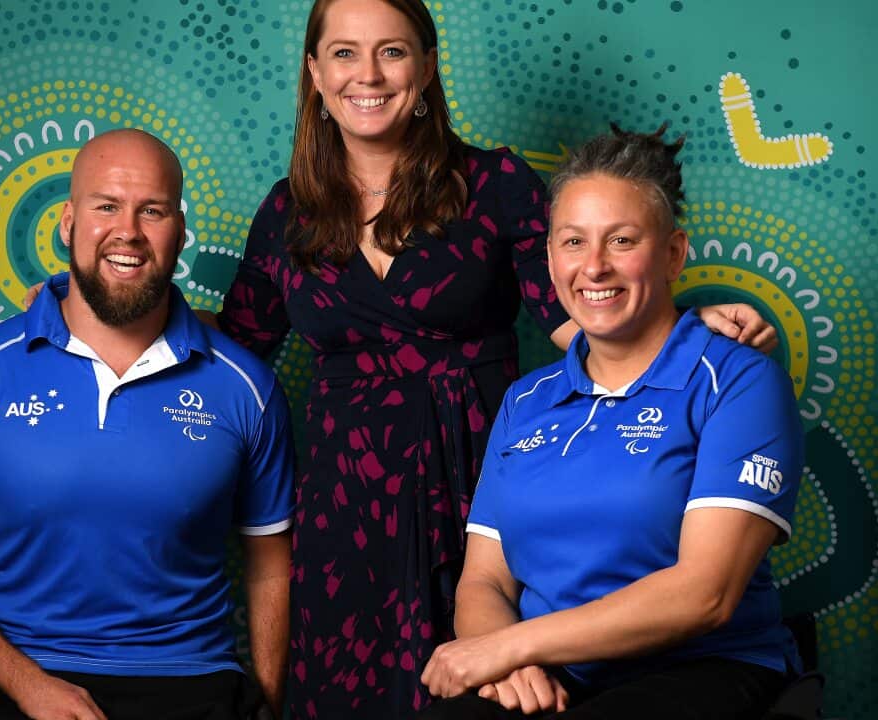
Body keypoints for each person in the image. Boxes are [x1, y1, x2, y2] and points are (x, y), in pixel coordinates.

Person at [213, 1, 779, 718]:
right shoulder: (286, 211)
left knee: (482, 685)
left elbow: (587, 315)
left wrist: (689, 335)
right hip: (344, 505)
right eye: (345, 53)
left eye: (391, 51)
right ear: (314, 72)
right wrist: (122, 315)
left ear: (426, 66)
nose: (368, 74)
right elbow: (233, 348)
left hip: (475, 477)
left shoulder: (494, 183)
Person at [0, 129, 294, 720]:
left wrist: (266, 701)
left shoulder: (246, 387)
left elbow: (269, 566)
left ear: (178, 231)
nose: (127, 230)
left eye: (151, 211)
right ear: (67, 222)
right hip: (17, 677)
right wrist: (27, 685)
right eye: (106, 206)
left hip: (191, 680)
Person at [418, 125, 804, 719]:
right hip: (549, 671)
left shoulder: (740, 381)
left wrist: (506, 647)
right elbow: (485, 583)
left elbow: (705, 595)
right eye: (573, 242)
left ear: (673, 252)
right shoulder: (526, 401)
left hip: (701, 668)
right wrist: (514, 666)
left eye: (621, 241)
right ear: (549, 259)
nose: (593, 267)